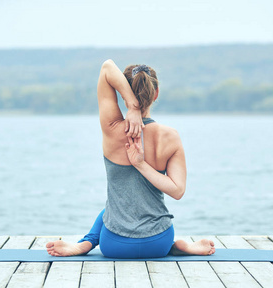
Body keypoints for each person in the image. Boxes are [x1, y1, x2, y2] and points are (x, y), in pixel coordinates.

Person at [46, 59, 215, 258]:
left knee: (113, 207)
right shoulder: (171, 137)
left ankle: (85, 243)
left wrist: (131, 106)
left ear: (122, 92)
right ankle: (175, 246)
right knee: (120, 206)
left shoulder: (112, 129)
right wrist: (142, 166)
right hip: (158, 242)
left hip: (114, 245)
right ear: (156, 93)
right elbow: (178, 191)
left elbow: (107, 67)